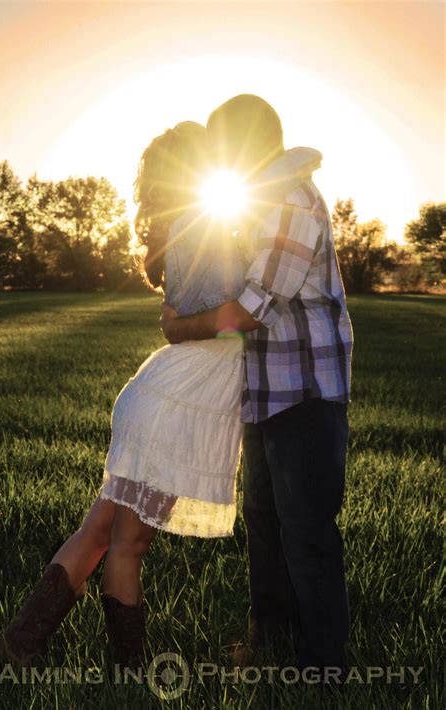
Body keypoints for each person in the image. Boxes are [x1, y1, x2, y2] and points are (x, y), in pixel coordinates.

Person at [0, 121, 248, 669]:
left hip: (166, 397)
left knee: (103, 531)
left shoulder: (186, 229)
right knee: (126, 544)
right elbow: (228, 315)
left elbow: (182, 314)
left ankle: (18, 646)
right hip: (178, 405)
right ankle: (126, 670)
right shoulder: (203, 231)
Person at [161, 95, 354, 675]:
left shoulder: (292, 200)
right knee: (264, 524)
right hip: (266, 394)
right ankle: (270, 643)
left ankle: (323, 666)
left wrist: (180, 329)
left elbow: (252, 307)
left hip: (306, 394)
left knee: (307, 531)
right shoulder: (261, 201)